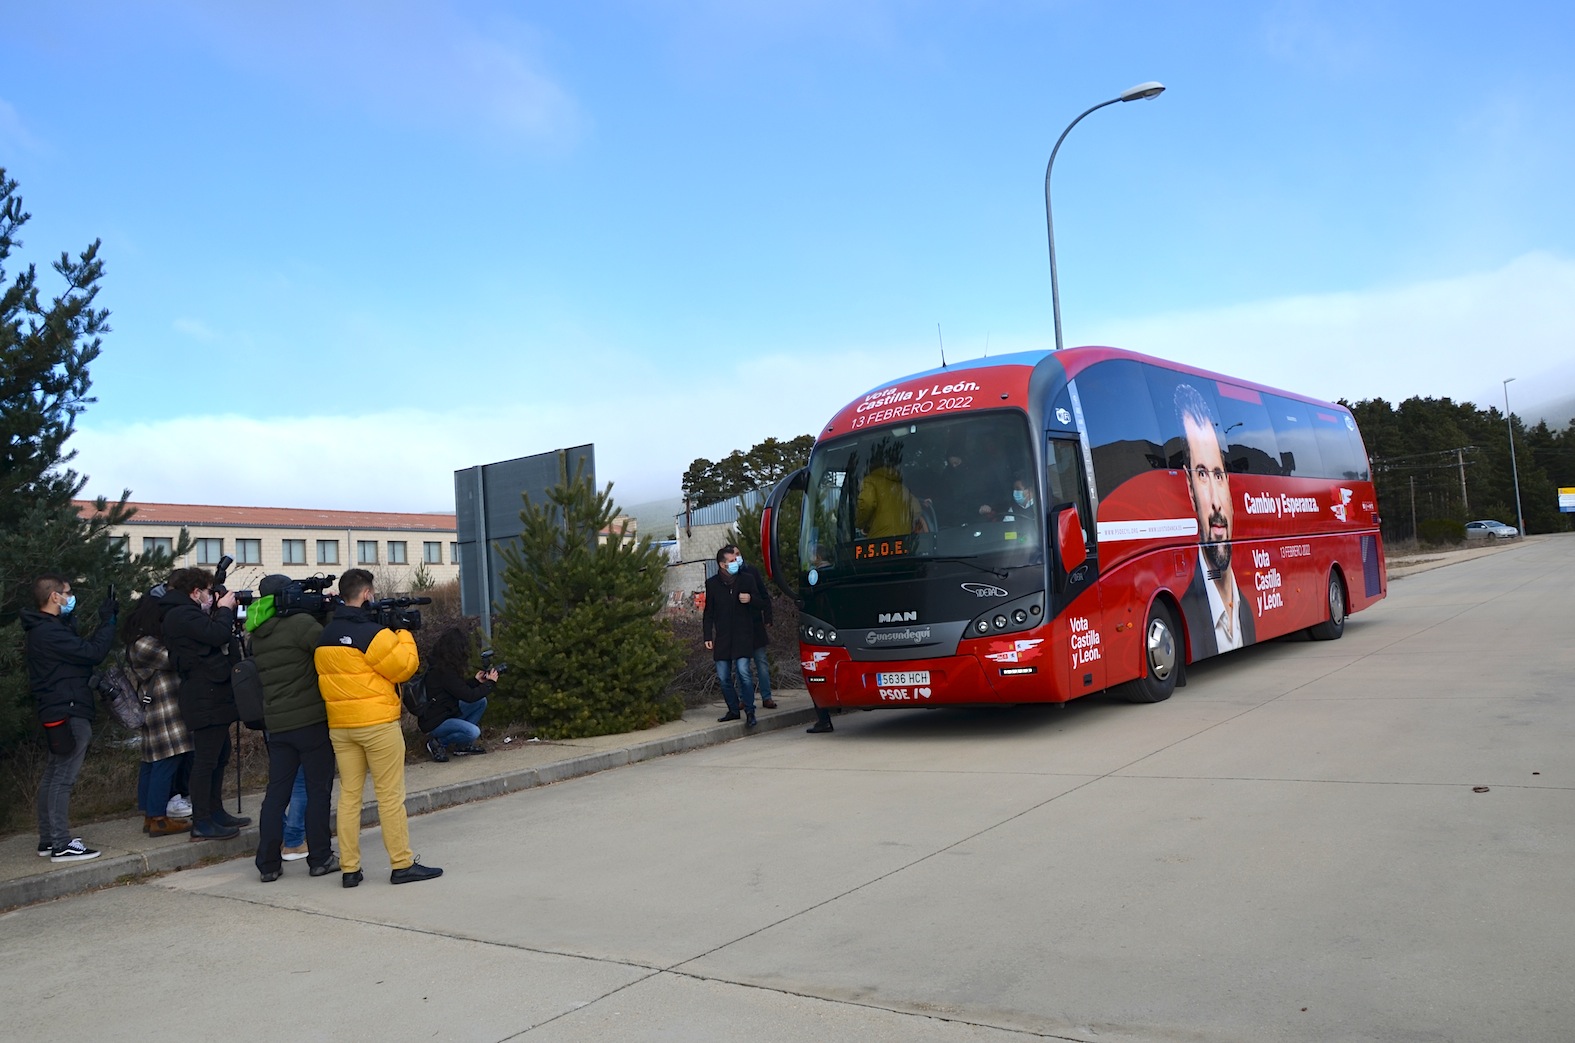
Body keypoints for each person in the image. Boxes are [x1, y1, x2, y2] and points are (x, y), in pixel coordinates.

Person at [316, 568, 441, 887]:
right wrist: (403, 632)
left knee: (349, 797)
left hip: (341, 726)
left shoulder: (325, 635)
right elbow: (404, 668)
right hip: (377, 725)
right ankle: (401, 864)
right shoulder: (373, 634)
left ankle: (349, 869)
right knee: (389, 796)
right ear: (367, 594)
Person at [249, 574, 339, 883]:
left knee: (276, 795)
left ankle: (268, 863)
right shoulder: (301, 625)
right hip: (310, 721)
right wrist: (327, 611)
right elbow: (329, 648)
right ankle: (320, 858)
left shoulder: (258, 631)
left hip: (277, 724)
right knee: (317, 791)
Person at [24, 573, 117, 862]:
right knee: (63, 778)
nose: (70, 597)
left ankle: (49, 839)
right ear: (54, 597)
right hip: (68, 708)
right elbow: (92, 652)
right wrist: (109, 621)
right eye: (67, 592)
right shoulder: (48, 632)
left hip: (59, 707)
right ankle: (61, 843)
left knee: (54, 774)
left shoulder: (46, 628)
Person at [159, 568, 251, 841]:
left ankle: (215, 810)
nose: (212, 597)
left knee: (220, 754)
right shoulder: (180, 614)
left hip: (212, 692)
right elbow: (216, 636)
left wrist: (222, 614)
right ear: (194, 591)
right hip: (203, 695)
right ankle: (201, 820)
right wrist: (223, 610)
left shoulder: (189, 613)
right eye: (209, 592)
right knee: (206, 759)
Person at [1175, 384, 1255, 656]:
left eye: (1218, 475)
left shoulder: (1248, 614)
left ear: (1229, 483)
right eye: (1202, 475)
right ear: (1189, 487)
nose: (1216, 502)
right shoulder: (1185, 612)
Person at [121, 593, 194, 837]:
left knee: (152, 761)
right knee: (165, 760)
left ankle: (151, 815)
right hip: (163, 709)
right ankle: (158, 817)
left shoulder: (141, 639)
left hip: (161, 707)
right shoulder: (145, 643)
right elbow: (175, 659)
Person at [702, 547, 762, 728]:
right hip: (723, 637)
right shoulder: (712, 584)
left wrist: (750, 599)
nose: (736, 562)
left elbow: (762, 602)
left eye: (736, 559)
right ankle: (733, 709)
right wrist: (707, 635)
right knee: (723, 676)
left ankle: (750, 711)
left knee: (744, 672)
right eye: (731, 560)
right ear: (722, 564)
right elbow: (708, 612)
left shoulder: (747, 580)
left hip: (743, 635)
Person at [417, 626, 496, 762]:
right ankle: (438, 743)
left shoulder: (442, 667)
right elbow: (468, 696)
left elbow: (458, 689)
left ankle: (462, 745)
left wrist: (476, 681)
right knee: (473, 732)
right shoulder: (443, 672)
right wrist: (490, 684)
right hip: (436, 722)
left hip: (446, 712)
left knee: (481, 702)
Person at [723, 545, 777, 710]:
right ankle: (744, 698)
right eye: (733, 556)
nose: (737, 558)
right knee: (741, 665)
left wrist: (767, 616)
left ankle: (766, 697)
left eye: (738, 554)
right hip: (738, 629)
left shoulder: (751, 572)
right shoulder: (725, 578)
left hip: (754, 625)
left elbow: (762, 596)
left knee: (761, 661)